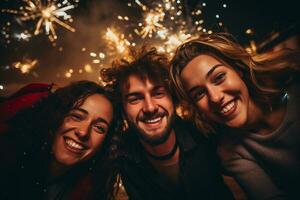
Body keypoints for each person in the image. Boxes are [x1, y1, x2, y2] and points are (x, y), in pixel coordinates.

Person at [170, 32, 300, 199]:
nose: (215, 98)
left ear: (239, 70)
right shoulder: (230, 153)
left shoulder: (294, 90)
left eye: (219, 77)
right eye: (199, 94)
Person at [100, 47, 233, 200]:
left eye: (158, 93)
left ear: (173, 98)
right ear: (122, 108)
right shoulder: (119, 155)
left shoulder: (206, 134)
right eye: (135, 99)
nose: (150, 107)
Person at [0, 81, 119, 200]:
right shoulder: (7, 158)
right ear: (56, 115)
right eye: (77, 116)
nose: (83, 132)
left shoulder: (92, 190)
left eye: (99, 128)